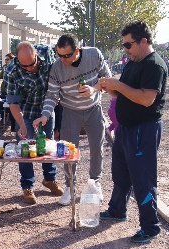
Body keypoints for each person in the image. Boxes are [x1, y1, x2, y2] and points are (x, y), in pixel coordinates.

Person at [97, 20, 167, 244]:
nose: (125, 50)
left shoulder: (154, 65)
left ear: (143, 41)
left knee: (143, 179)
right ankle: (117, 210)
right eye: (124, 45)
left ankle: (150, 227)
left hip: (143, 129)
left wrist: (118, 86)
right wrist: (111, 88)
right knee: (121, 174)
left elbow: (147, 99)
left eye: (128, 45)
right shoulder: (133, 62)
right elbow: (124, 94)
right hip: (125, 129)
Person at [33, 33, 111, 206]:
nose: (63, 60)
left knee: (96, 148)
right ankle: (70, 186)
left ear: (77, 50)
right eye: (59, 55)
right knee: (68, 152)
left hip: (93, 109)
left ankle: (94, 183)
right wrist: (45, 115)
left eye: (67, 55)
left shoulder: (93, 54)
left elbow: (108, 78)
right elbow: (52, 95)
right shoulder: (56, 68)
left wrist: (95, 88)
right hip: (70, 111)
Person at [4, 41, 64, 204]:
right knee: (25, 149)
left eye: (33, 63)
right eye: (26, 67)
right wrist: (22, 125)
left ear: (36, 54)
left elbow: (59, 74)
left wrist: (57, 95)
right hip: (26, 111)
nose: (31, 68)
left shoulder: (47, 53)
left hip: (47, 107)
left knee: (47, 144)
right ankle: (27, 185)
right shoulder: (11, 71)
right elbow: (14, 103)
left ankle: (49, 179)